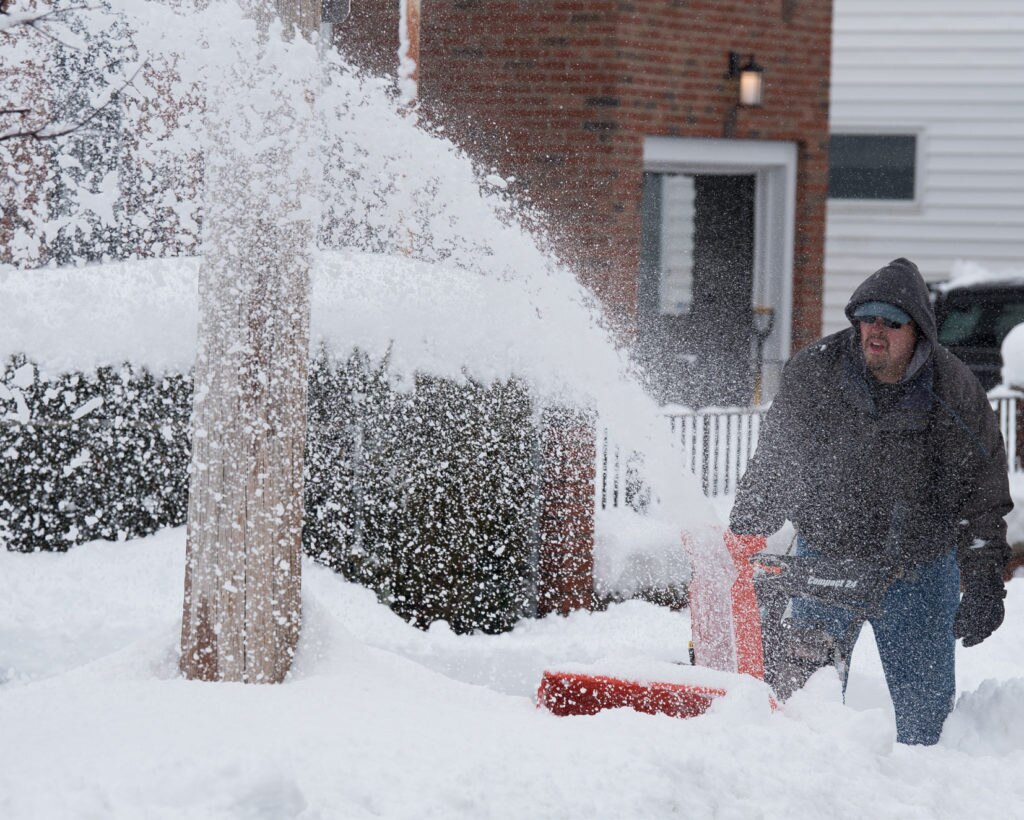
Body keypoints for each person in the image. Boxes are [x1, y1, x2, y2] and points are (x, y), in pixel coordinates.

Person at [730, 257, 1012, 745]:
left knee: (926, 721)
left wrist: (986, 580)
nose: (876, 331)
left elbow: (982, 490)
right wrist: (745, 532)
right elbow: (777, 457)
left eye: (891, 321)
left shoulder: (954, 388)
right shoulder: (816, 372)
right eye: (868, 318)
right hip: (827, 563)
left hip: (917, 569)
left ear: (918, 330)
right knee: (803, 708)